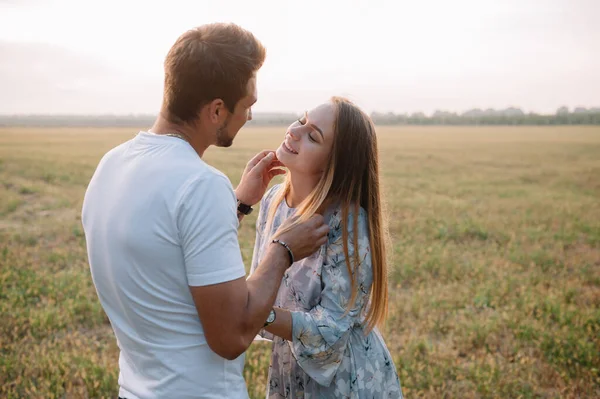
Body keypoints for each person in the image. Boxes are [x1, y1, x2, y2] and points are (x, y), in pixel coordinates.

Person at [81, 23, 328, 399]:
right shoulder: (201, 185)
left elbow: (165, 252)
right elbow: (232, 335)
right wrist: (282, 250)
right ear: (216, 110)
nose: (249, 117)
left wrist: (239, 204)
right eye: (247, 105)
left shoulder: (111, 165)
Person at [249, 97, 404, 398]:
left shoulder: (347, 223)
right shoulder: (272, 202)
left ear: (333, 166)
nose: (295, 131)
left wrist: (252, 312)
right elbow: (260, 284)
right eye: (302, 120)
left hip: (344, 380)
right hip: (288, 370)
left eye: (313, 136)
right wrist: (249, 306)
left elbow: (331, 328)